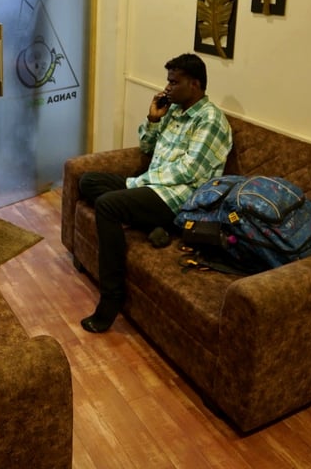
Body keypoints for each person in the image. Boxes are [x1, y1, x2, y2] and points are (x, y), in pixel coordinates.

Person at [79, 53, 232, 333]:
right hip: (154, 188)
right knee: (88, 180)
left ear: (195, 84)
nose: (167, 87)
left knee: (107, 206)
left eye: (174, 82)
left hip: (180, 197)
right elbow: (147, 148)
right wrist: (153, 119)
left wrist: (137, 184)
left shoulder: (210, 120)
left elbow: (190, 171)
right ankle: (153, 225)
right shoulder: (174, 110)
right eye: (168, 81)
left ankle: (112, 298)